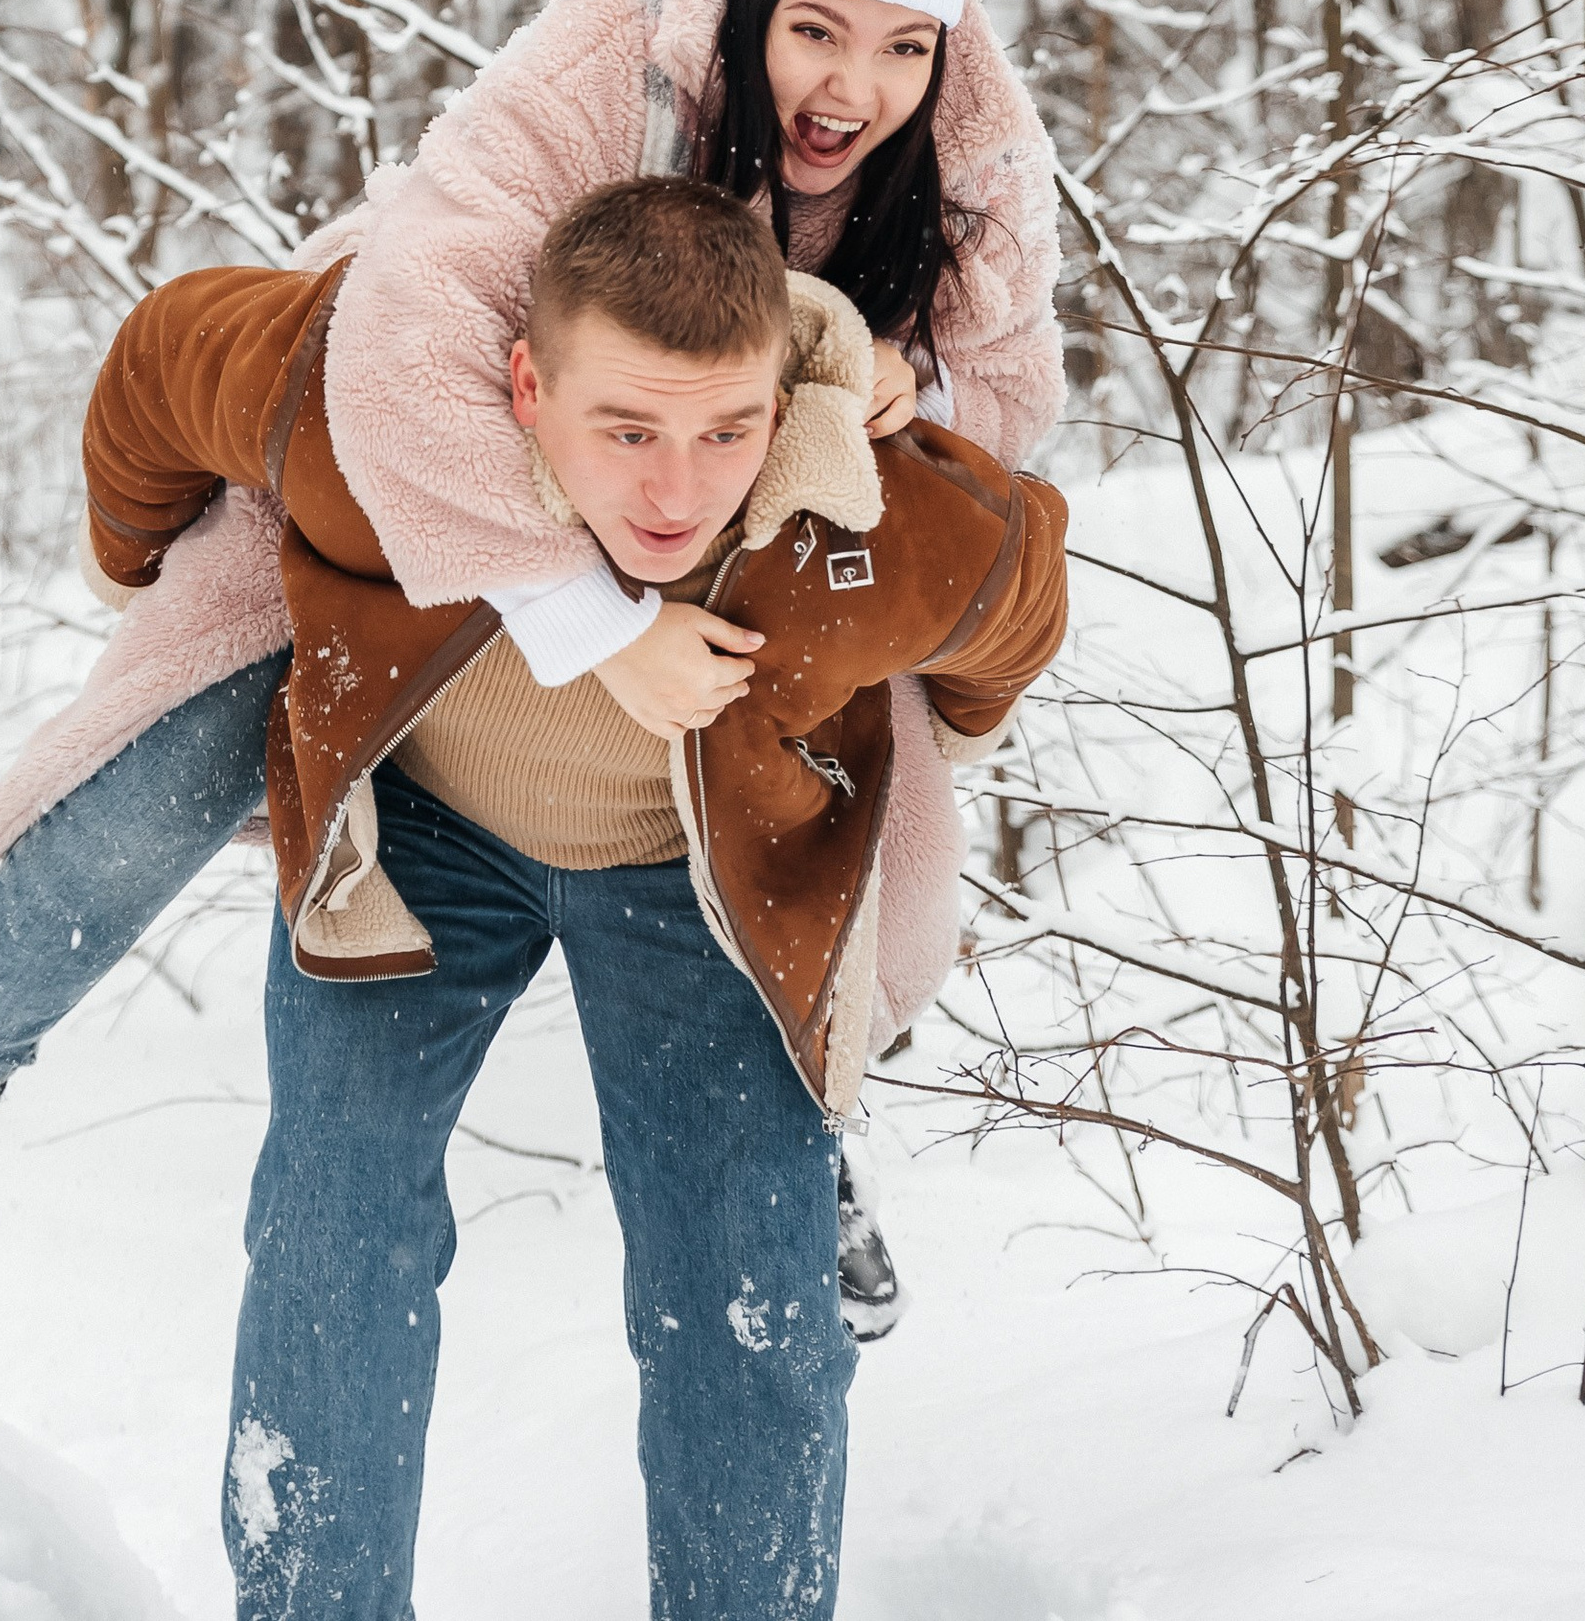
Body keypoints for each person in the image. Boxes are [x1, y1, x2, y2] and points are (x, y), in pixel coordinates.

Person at [0, 0, 1062, 1327]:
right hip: (452, 470)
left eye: (902, 46)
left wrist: (905, 382)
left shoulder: (968, 155)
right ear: (749, 10)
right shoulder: (624, 48)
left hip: (735, 528)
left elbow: (1011, 403)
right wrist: (590, 622)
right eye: (813, 32)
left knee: (839, 817)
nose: (854, 87)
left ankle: (813, 1122)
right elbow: (406, 340)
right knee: (172, 757)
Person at [93, 180, 1064, 1620]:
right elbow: (161, 363)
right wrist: (158, 585)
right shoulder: (376, 424)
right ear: (527, 387)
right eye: (626, 431)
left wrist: (926, 728)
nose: (678, 492)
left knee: (745, 1291)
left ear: (782, 399)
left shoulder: (866, 514)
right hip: (423, 841)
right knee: (332, 1228)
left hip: (700, 890)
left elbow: (1018, 594)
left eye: (726, 431)